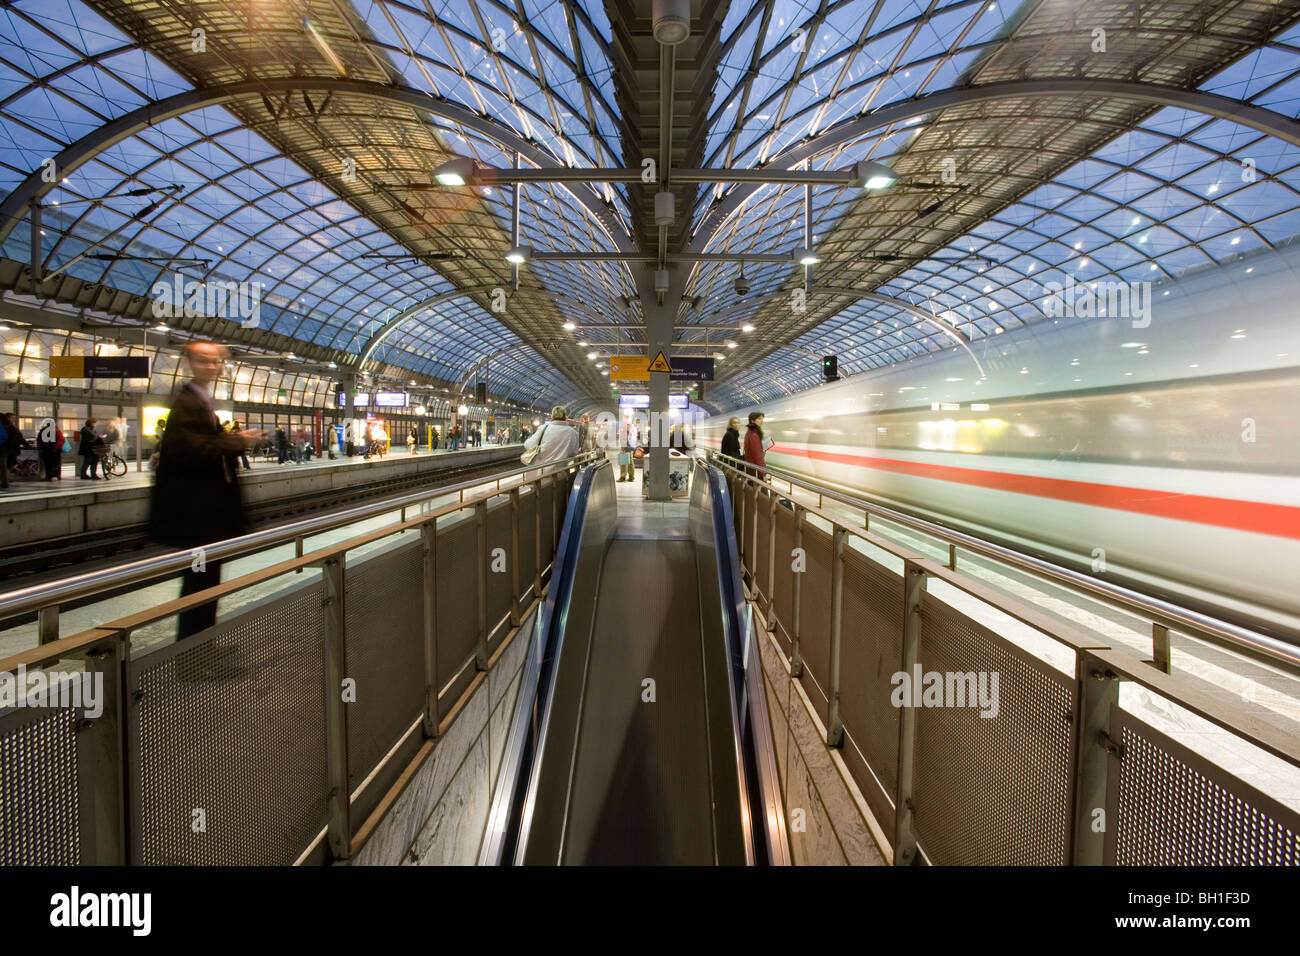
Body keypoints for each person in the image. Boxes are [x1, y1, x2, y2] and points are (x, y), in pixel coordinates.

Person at [149, 341, 264, 641]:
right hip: (195, 518)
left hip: (204, 517)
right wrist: (237, 442)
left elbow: (203, 445)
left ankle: (202, 645)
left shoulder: (201, 399)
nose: (211, 367)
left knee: (206, 581)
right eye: (204, 360)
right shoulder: (186, 402)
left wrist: (234, 438)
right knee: (199, 582)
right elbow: (193, 450)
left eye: (216, 362)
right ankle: (193, 653)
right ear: (189, 362)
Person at [743, 410, 773, 479]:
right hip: (755, 469)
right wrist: (763, 474)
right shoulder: (754, 435)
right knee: (760, 489)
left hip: (750, 467)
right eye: (759, 419)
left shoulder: (749, 432)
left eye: (762, 419)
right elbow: (757, 456)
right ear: (752, 420)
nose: (762, 421)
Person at [617, 416, 637, 482]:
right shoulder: (632, 427)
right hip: (630, 446)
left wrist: (623, 448)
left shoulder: (626, 427)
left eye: (624, 420)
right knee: (630, 462)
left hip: (626, 446)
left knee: (623, 463)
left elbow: (625, 438)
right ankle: (631, 477)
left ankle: (622, 477)